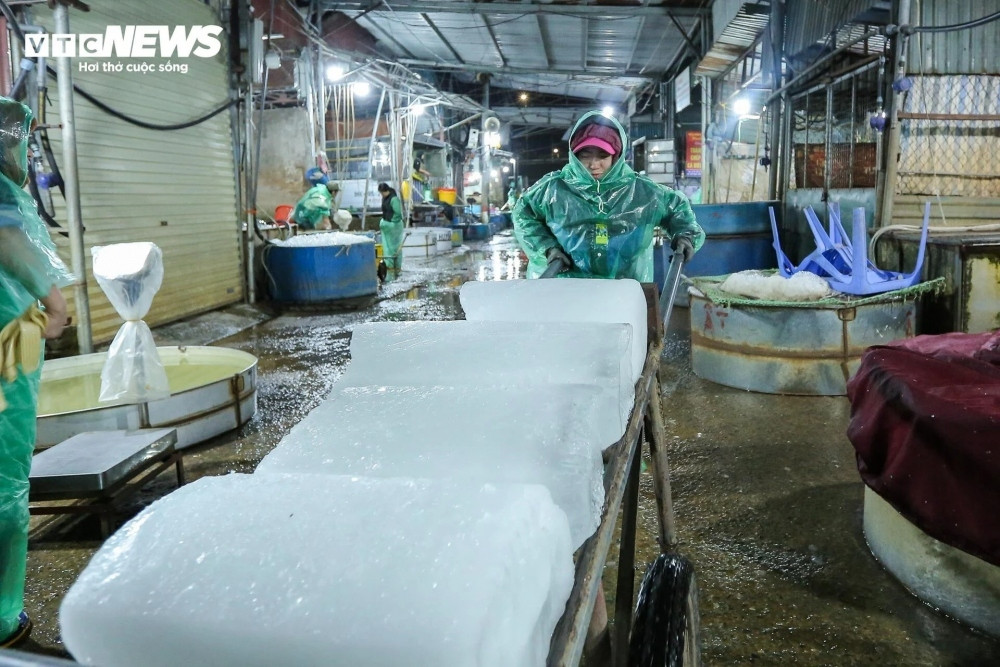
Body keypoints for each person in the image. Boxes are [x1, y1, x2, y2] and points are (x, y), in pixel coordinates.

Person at [0, 97, 72, 649]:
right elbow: (7, 239)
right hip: (9, 340)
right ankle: (3, 622)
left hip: (15, 335)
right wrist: (54, 303)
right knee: (4, 477)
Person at [513, 110, 705, 279]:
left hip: (623, 291)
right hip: (565, 290)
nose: (593, 164)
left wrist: (684, 235)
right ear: (574, 155)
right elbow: (523, 212)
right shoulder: (553, 189)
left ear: (616, 156)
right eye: (585, 155)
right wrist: (548, 248)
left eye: (602, 156)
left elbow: (676, 208)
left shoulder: (642, 192)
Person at [377, 182, 404, 279]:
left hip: (394, 227)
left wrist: (392, 223)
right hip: (388, 226)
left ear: (386, 191)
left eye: (382, 193)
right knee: (388, 248)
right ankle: (390, 268)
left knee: (395, 248)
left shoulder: (394, 199)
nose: (382, 195)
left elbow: (398, 213)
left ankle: (396, 269)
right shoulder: (385, 198)